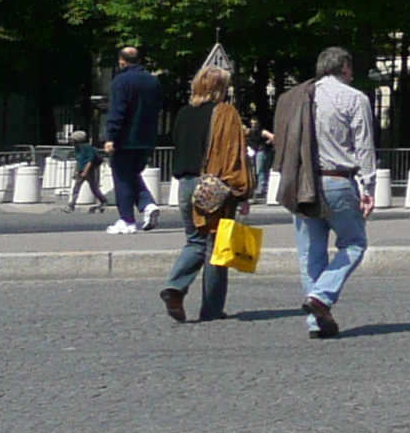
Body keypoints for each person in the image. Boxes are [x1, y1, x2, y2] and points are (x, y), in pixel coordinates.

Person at [272, 44, 376, 340]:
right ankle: (322, 296)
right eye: (350, 69)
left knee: (310, 253)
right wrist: (368, 187)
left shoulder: (296, 97)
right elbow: (364, 146)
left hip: (301, 182)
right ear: (344, 68)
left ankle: (316, 322)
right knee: (354, 243)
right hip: (338, 181)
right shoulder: (353, 98)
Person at [159, 65, 252, 323]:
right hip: (214, 185)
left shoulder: (184, 113)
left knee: (194, 240)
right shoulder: (226, 113)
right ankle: (210, 309)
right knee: (216, 248)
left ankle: (175, 287)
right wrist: (241, 192)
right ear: (219, 89)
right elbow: (233, 154)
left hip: (185, 184)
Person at [102, 46, 164, 234]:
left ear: (121, 61)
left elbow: (117, 110)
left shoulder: (121, 81)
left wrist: (111, 137)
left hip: (125, 139)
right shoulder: (153, 82)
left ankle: (127, 220)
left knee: (122, 178)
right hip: (146, 138)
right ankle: (147, 205)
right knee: (131, 176)